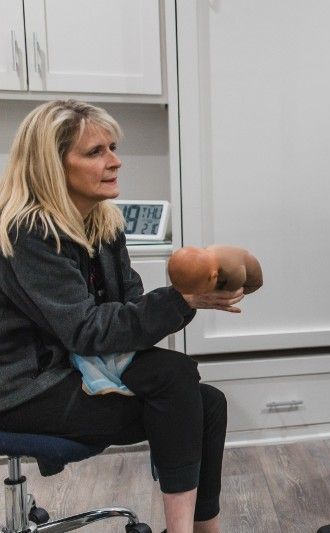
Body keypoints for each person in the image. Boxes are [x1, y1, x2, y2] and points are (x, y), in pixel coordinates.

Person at [0, 100, 245, 533]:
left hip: (78, 371)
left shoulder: (104, 223)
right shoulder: (29, 232)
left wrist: (187, 297)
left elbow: (129, 309)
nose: (115, 161)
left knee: (207, 402)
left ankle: (201, 529)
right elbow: (87, 330)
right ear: (52, 165)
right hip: (25, 388)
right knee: (179, 383)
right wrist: (180, 300)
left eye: (112, 147)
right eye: (95, 152)